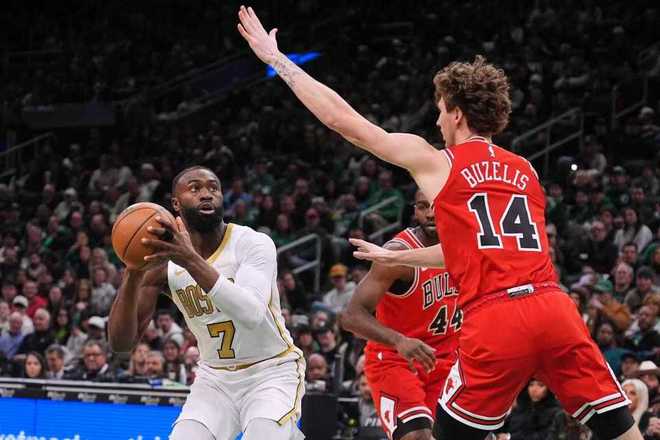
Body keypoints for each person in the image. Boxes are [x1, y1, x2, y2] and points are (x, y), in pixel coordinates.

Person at [236, 7, 641, 439]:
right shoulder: (526, 169)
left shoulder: (438, 162)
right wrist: (399, 257)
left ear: (458, 114)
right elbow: (473, 249)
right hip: (553, 306)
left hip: (496, 316)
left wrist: (277, 60)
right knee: (620, 430)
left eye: (441, 111)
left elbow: (345, 122)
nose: (437, 121)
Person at [108, 166, 305, 440]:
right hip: (215, 379)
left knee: (264, 432)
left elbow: (251, 314)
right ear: (176, 204)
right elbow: (121, 344)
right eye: (194, 188)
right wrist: (132, 272)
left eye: (213, 188)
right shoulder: (162, 264)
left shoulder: (252, 243)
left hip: (270, 371)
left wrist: (189, 259)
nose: (206, 194)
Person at [342, 189, 460, 440]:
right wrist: (399, 340)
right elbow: (351, 316)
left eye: (436, 205)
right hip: (396, 360)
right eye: (422, 206)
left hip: (447, 361)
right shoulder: (397, 254)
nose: (430, 214)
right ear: (414, 210)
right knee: (417, 436)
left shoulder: (468, 245)